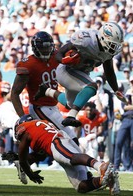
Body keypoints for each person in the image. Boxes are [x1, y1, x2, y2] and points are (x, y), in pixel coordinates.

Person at [11, 31, 81, 177]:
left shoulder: (56, 56)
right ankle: (82, 175)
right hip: (39, 107)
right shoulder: (28, 64)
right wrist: (23, 117)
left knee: (43, 150)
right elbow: (14, 93)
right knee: (72, 140)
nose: (47, 50)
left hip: (52, 106)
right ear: (36, 48)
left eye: (49, 46)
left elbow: (71, 51)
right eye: (43, 47)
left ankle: (23, 163)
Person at [34, 22, 127, 128]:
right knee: (92, 87)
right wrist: (64, 60)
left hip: (80, 74)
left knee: (70, 104)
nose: (114, 48)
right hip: (66, 70)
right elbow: (59, 53)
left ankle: (46, 91)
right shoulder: (86, 41)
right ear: (103, 38)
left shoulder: (107, 52)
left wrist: (116, 90)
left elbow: (109, 71)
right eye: (112, 44)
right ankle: (71, 117)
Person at [3, 114, 120, 195]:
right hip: (61, 139)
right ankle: (105, 179)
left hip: (56, 141)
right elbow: (39, 155)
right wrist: (18, 157)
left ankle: (100, 166)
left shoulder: (25, 130)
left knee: (71, 158)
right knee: (81, 186)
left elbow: (24, 161)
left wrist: (30, 174)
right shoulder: (40, 125)